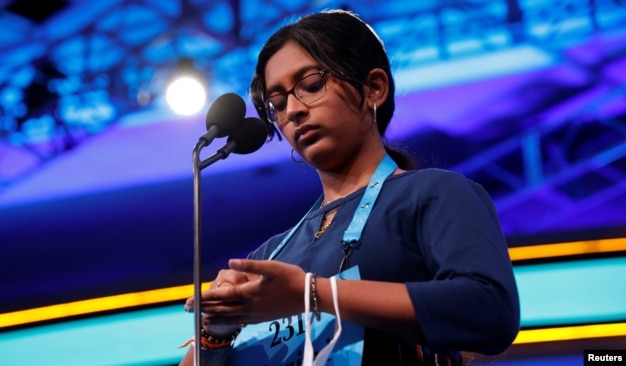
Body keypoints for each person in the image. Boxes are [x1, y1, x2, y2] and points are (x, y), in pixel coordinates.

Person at [180, 9, 520, 366]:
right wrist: (212, 335)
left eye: (311, 85)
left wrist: (313, 293)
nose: (293, 110)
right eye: (277, 104)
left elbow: (490, 311)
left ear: (374, 88)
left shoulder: (432, 193)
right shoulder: (268, 257)